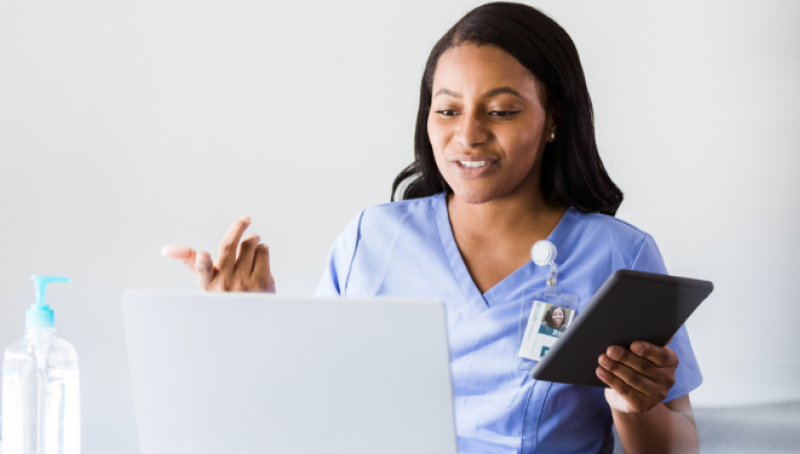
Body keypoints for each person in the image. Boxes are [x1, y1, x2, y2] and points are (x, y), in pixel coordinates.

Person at [162, 3, 701, 453]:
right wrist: (251, 324)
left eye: (502, 111)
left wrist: (634, 407)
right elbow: (310, 408)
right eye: (447, 110)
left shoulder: (617, 255)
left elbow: (680, 444)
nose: (468, 135)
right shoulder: (371, 240)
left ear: (553, 117)